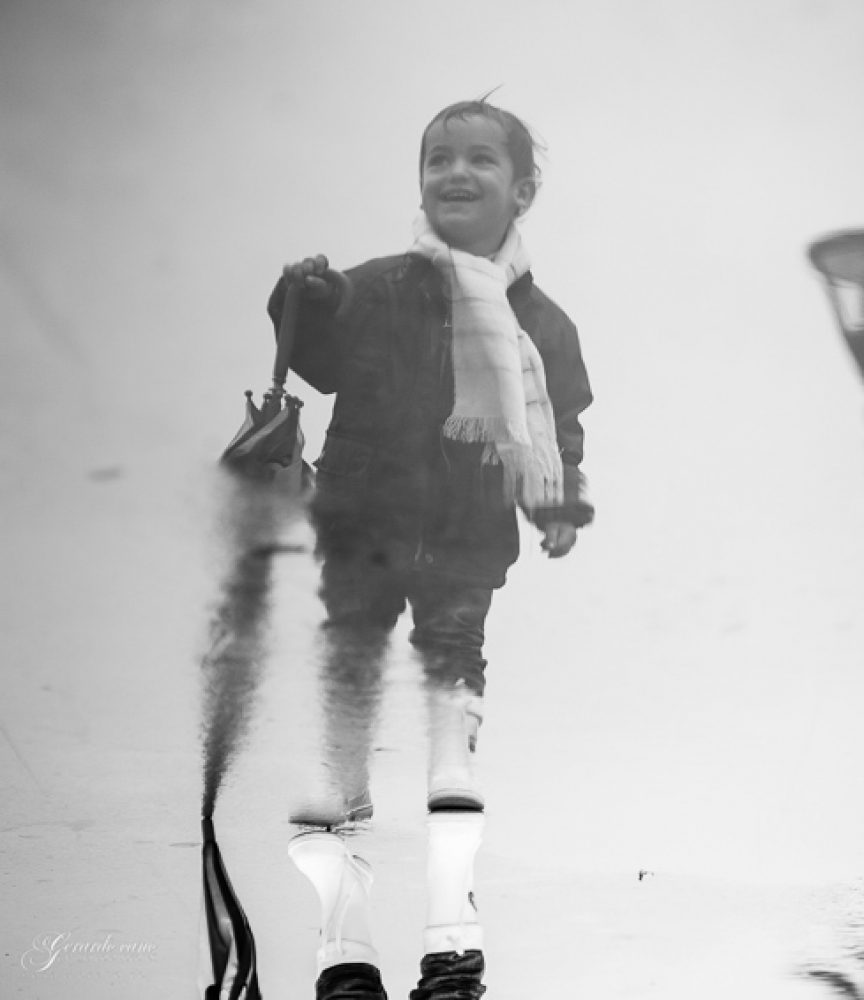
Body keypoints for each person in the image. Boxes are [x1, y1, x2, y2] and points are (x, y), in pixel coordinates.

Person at [274, 98, 594, 1000]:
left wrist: (560, 496)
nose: (456, 173)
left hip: (464, 530)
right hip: (365, 518)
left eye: (480, 160)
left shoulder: (546, 325)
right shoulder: (374, 287)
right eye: (438, 159)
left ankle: (453, 894)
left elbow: (558, 421)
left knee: (454, 680)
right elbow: (320, 357)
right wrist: (306, 293)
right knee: (351, 677)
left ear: (521, 190)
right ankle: (345, 886)